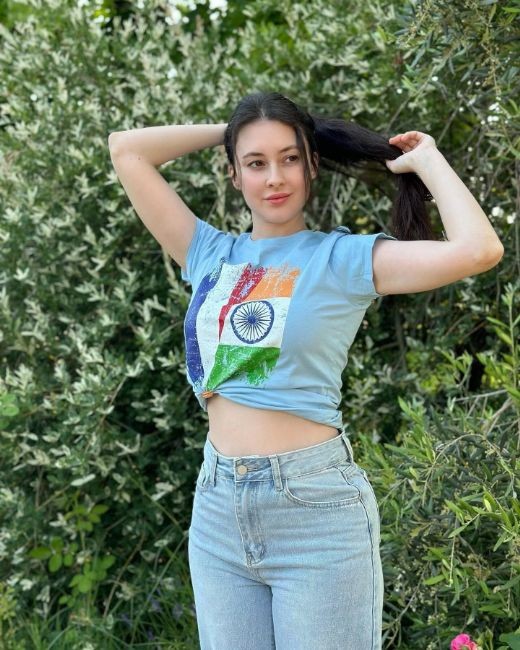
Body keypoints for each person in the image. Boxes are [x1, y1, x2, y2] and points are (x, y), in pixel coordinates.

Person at [108, 91, 504, 649]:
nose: (275, 177)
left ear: (312, 165)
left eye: (290, 158)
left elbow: (479, 250)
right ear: (234, 175)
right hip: (218, 508)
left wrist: (429, 159)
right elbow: (126, 150)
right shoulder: (207, 253)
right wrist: (240, 126)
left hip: (315, 511)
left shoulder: (342, 259)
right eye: (255, 163)